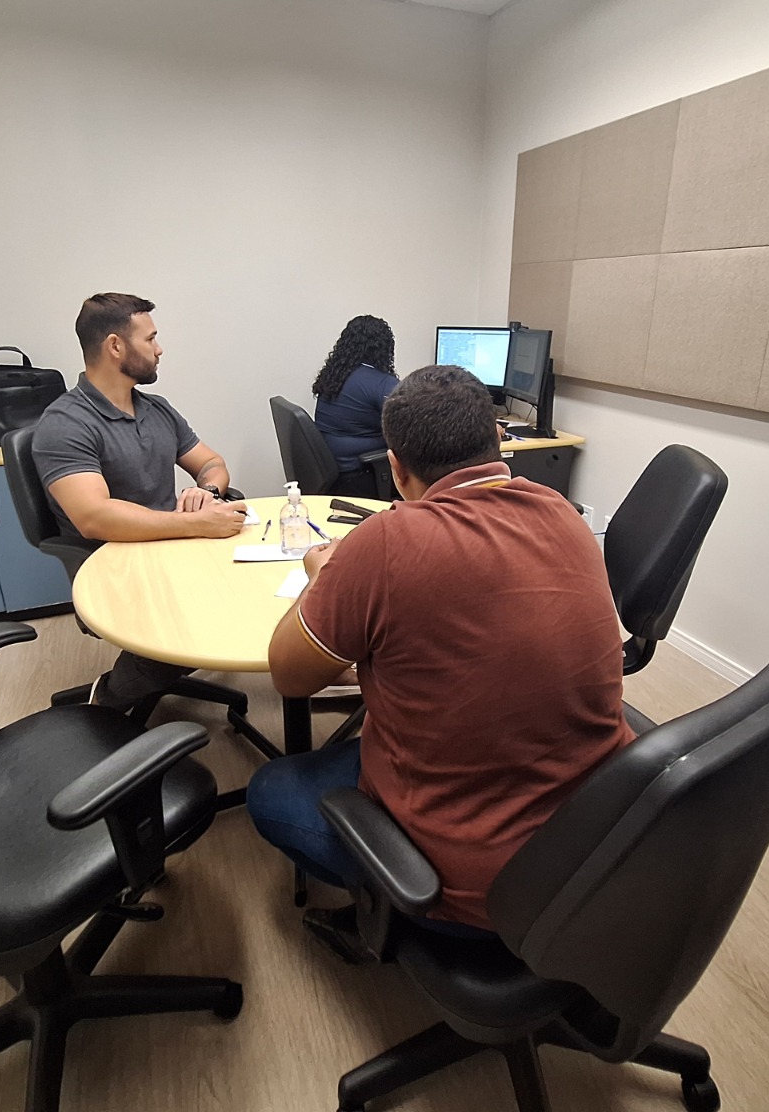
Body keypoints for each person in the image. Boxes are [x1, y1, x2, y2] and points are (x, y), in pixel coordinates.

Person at [246, 365, 632, 956]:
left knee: (271, 789)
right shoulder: (564, 514)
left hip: (479, 886)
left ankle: (399, 916)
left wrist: (322, 578)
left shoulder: (382, 545)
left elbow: (290, 677)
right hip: (601, 840)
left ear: (396, 470)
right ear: (499, 442)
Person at [33, 292, 248, 709]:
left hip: (172, 549)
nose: (159, 348)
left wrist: (206, 492)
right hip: (114, 566)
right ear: (116, 346)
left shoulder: (157, 409)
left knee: (248, 588)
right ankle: (109, 699)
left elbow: (212, 463)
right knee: (205, 613)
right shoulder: (65, 424)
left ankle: (160, 664)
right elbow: (94, 517)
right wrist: (195, 525)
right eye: (150, 338)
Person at [311, 315, 398, 495]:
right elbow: (415, 417)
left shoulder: (335, 374)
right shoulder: (380, 383)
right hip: (362, 474)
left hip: (333, 472)